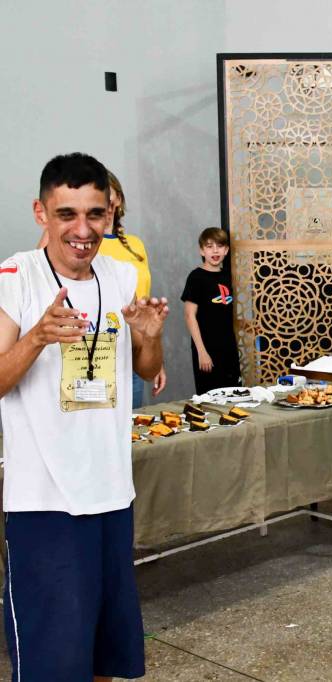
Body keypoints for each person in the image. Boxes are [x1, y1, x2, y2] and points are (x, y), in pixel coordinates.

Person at [0, 152, 169, 680]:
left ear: (110, 213)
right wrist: (37, 337)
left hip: (112, 493)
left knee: (104, 653)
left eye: (95, 214)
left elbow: (146, 367)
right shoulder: (16, 276)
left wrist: (149, 339)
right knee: (53, 662)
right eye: (66, 214)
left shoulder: (121, 276)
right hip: (44, 502)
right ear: (41, 213)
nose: (82, 229)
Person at [37, 171, 167, 407]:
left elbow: (143, 304)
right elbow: (43, 272)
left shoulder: (135, 245)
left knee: (128, 424)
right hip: (85, 350)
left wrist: (153, 352)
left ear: (118, 199)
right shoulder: (80, 241)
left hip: (130, 349)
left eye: (106, 193)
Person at [181, 227, 241, 394]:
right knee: (210, 399)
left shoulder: (228, 276)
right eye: (209, 246)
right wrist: (201, 352)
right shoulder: (196, 277)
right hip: (206, 349)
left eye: (220, 246)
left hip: (229, 349)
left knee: (233, 395)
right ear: (202, 250)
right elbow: (189, 316)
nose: (215, 251)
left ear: (226, 250)